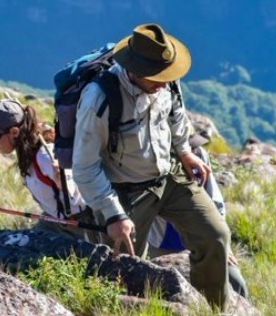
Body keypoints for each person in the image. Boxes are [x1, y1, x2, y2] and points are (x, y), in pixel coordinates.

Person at [73, 23, 232, 310]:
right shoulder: (100, 98)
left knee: (215, 235)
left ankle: (212, 309)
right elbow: (85, 167)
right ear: (134, 69)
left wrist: (185, 152)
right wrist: (113, 215)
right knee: (125, 270)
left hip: (168, 177)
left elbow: (176, 117)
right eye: (157, 77)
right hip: (125, 193)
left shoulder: (166, 80)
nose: (164, 82)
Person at [0, 98, 94, 241]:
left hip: (78, 226)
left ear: (14, 132)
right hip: (52, 221)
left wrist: (63, 184)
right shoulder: (27, 152)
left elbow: (79, 202)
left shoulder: (44, 156)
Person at [149, 133, 249, 299]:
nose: (193, 149)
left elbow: (215, 202)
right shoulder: (154, 163)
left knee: (236, 284)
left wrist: (224, 245)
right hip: (165, 242)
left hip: (205, 239)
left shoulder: (199, 155)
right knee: (169, 290)